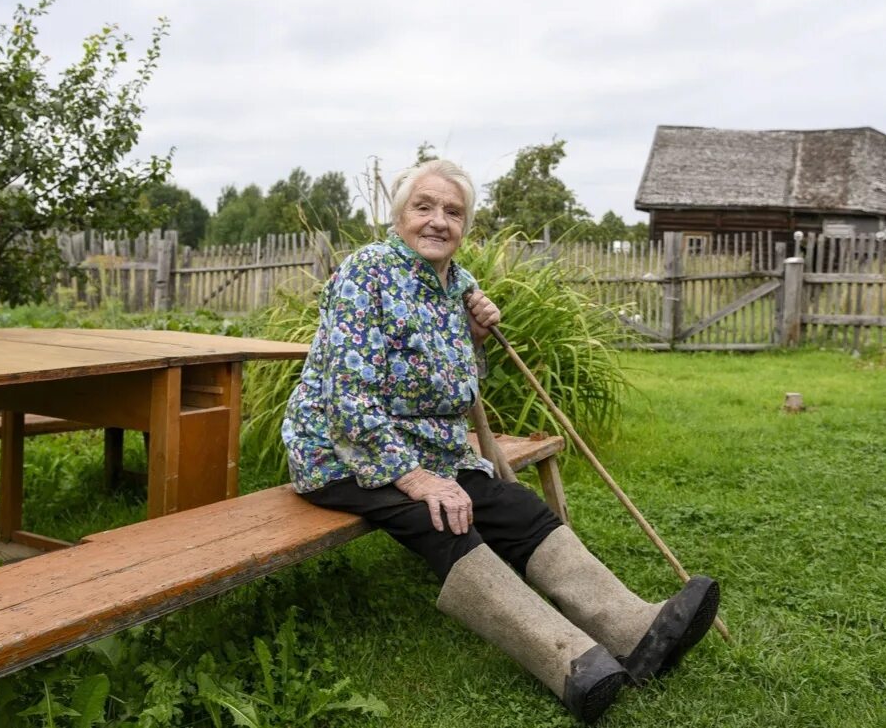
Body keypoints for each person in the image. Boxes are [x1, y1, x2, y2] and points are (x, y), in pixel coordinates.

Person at [281, 159, 719, 724]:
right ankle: (569, 662)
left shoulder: (453, 284)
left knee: (513, 506)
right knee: (442, 518)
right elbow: (347, 397)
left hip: (429, 448)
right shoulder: (367, 274)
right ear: (398, 216)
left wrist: (474, 336)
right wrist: (415, 479)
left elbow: (451, 383)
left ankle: (633, 632)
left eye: (453, 212)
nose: (438, 221)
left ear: (465, 224)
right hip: (342, 452)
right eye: (424, 207)